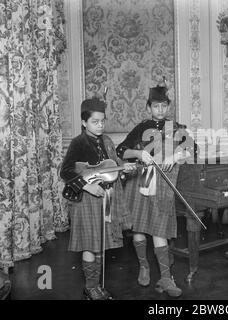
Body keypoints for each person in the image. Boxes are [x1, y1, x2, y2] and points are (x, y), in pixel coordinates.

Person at [116, 84, 194, 298]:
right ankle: (144, 266)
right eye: (155, 106)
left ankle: (166, 278)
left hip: (164, 184)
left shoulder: (176, 127)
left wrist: (175, 156)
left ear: (168, 106)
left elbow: (192, 148)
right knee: (139, 226)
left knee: (159, 228)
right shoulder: (142, 127)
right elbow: (120, 151)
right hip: (139, 181)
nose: (160, 109)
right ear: (149, 107)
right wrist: (139, 154)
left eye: (164, 105)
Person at [60, 97, 136, 300]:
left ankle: (96, 286)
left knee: (101, 242)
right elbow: (65, 171)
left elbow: (113, 165)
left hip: (106, 199)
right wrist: (88, 186)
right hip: (86, 200)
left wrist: (124, 167)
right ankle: (90, 287)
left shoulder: (107, 141)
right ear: (84, 122)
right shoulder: (78, 142)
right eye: (95, 121)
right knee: (89, 244)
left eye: (103, 121)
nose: (100, 125)